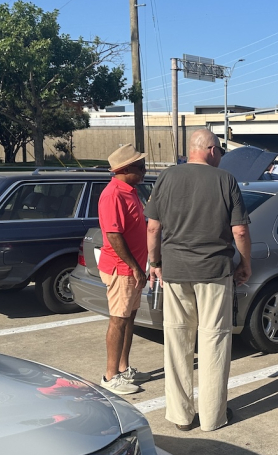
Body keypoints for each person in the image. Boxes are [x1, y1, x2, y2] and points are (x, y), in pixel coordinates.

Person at [145, 129, 251, 432]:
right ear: (212, 150)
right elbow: (240, 231)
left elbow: (153, 228)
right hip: (214, 272)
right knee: (214, 341)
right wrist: (246, 264)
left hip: (176, 271)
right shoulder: (226, 180)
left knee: (177, 341)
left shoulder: (166, 177)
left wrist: (155, 263)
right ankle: (212, 417)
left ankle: (181, 415)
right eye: (220, 152)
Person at [97, 143, 152, 395]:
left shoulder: (130, 191)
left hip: (133, 269)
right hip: (122, 269)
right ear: (126, 169)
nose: (144, 171)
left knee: (129, 318)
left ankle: (123, 367)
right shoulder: (113, 194)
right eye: (140, 167)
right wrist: (134, 267)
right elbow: (113, 235)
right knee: (118, 320)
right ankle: (110, 376)